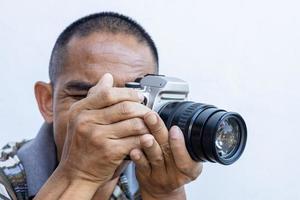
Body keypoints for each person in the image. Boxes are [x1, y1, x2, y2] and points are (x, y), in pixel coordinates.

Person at [0, 12, 202, 200]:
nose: (113, 114)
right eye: (85, 96)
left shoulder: (151, 172)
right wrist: (81, 175)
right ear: (47, 102)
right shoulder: (7, 178)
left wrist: (164, 194)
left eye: (136, 98)